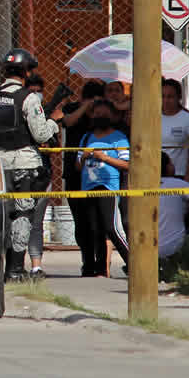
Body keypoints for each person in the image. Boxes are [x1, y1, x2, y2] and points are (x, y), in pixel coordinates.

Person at [0, 48, 63, 282]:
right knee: (23, 215)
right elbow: (40, 135)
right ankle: (15, 270)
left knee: (0, 214)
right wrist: (53, 124)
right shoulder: (29, 98)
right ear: (27, 72)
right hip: (24, 165)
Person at [76, 99, 132, 275]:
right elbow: (77, 166)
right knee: (95, 229)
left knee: (111, 227)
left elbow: (128, 164)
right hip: (88, 187)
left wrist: (105, 158)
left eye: (104, 113)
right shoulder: (86, 138)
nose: (100, 116)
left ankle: (133, 263)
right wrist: (84, 157)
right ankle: (101, 268)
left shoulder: (119, 138)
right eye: (97, 113)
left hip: (108, 186)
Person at [61, 79, 106, 276]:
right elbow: (67, 121)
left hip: (98, 175)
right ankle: (87, 262)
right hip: (75, 174)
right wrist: (84, 107)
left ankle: (101, 264)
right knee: (81, 222)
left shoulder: (103, 114)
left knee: (99, 222)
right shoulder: (73, 109)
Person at [23, 74, 54, 279]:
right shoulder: (22, 115)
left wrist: (49, 123)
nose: (36, 94)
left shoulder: (43, 115)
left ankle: (36, 266)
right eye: (31, 90)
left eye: (38, 91)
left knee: (36, 222)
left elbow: (52, 144)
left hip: (42, 174)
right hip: (24, 171)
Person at [158, 152, 189, 262]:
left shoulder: (141, 187)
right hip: (174, 248)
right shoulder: (178, 184)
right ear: (167, 167)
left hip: (146, 249)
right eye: (171, 163)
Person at [160, 78, 189, 178]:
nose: (166, 100)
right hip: (156, 173)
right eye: (162, 96)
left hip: (179, 173)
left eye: (170, 96)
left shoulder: (188, 118)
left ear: (179, 97)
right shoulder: (152, 117)